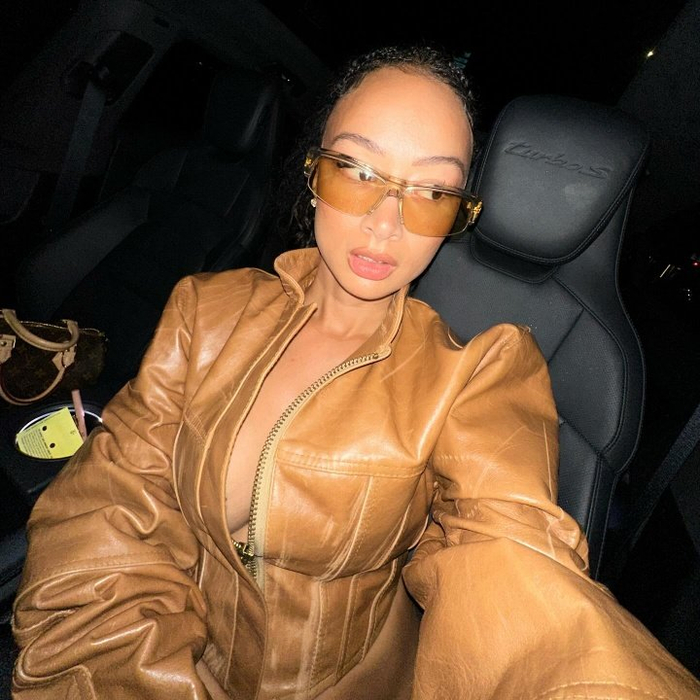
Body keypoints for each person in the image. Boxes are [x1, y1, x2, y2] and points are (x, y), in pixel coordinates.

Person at [10, 45, 700, 700]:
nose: (386, 222)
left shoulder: (479, 375)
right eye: (358, 170)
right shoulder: (207, 310)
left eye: (432, 190)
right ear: (314, 176)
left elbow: (513, 567)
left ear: (455, 216)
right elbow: (105, 519)